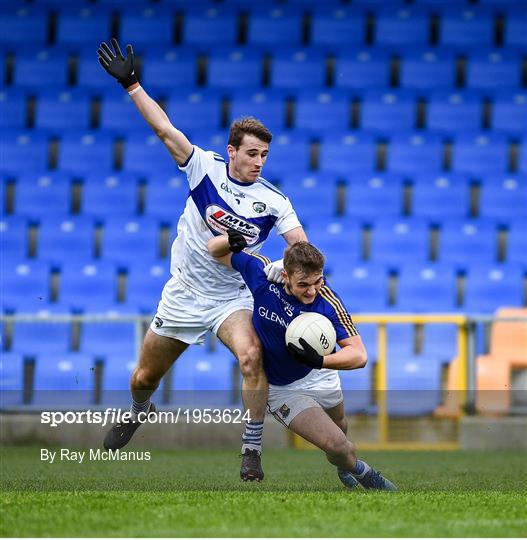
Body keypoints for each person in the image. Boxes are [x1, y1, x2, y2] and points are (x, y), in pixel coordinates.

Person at [96, 38, 307, 481]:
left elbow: (299, 247)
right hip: (185, 293)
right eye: (252, 153)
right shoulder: (202, 168)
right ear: (232, 151)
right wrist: (132, 84)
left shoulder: (274, 201)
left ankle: (251, 451)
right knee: (142, 378)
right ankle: (138, 411)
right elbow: (166, 131)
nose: (259, 162)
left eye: (265, 155)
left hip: (231, 296)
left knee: (252, 357)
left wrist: (298, 274)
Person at [207, 233, 398, 490]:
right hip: (283, 388)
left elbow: (359, 354)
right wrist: (231, 239)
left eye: (317, 281)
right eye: (303, 284)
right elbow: (215, 250)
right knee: (338, 445)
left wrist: (320, 360)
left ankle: (343, 465)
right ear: (285, 276)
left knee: (341, 428)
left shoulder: (327, 302)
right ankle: (365, 474)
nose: (312, 290)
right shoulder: (262, 276)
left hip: (319, 371)